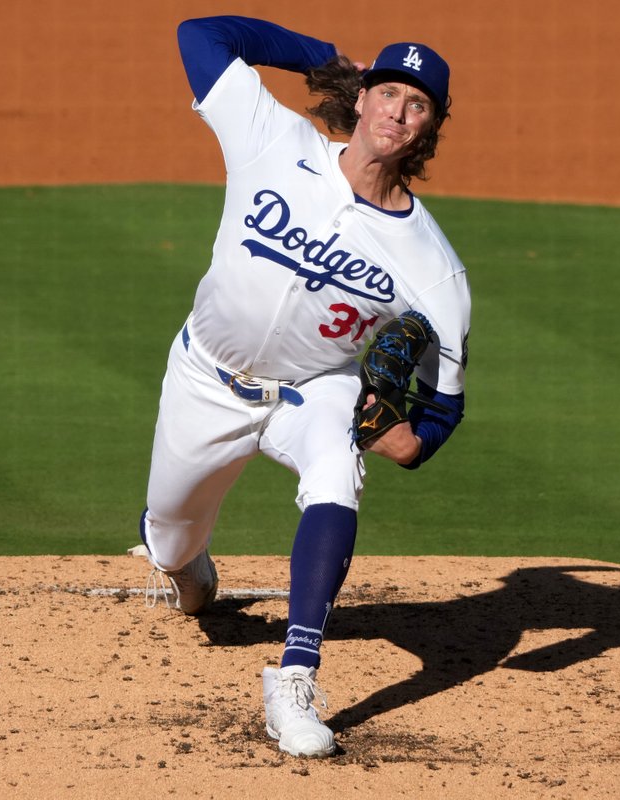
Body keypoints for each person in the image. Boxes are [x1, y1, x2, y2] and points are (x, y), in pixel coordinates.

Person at [133, 15, 471, 759]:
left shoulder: (433, 266)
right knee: (170, 537)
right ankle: (184, 561)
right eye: (387, 93)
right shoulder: (272, 139)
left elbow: (444, 402)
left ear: (429, 131)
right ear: (362, 99)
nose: (397, 113)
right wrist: (319, 57)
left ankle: (294, 677)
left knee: (336, 477)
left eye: (417, 106)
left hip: (315, 388)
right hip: (205, 379)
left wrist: (408, 442)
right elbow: (199, 35)